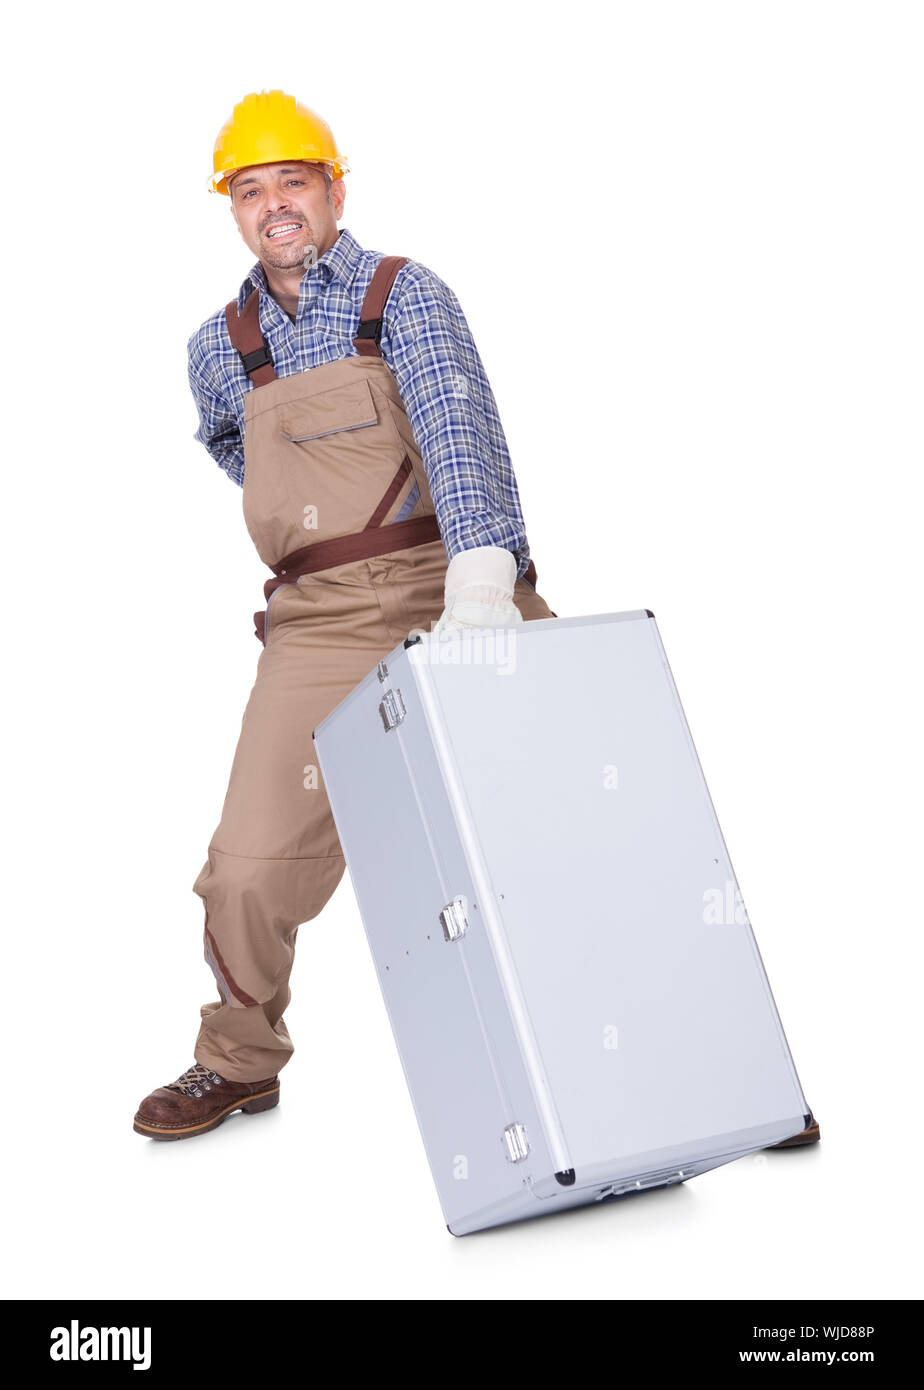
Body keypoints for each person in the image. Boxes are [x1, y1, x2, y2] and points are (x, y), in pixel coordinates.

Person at [133, 89, 556, 1142]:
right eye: (250, 189)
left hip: (451, 585)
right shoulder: (217, 344)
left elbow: (460, 431)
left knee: (582, 815)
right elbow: (238, 452)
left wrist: (480, 580)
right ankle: (238, 1060)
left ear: (333, 186)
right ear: (230, 207)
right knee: (245, 864)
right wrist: (317, 539)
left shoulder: (400, 294)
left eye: (293, 181)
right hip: (319, 624)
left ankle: (709, 1046)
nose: (274, 204)